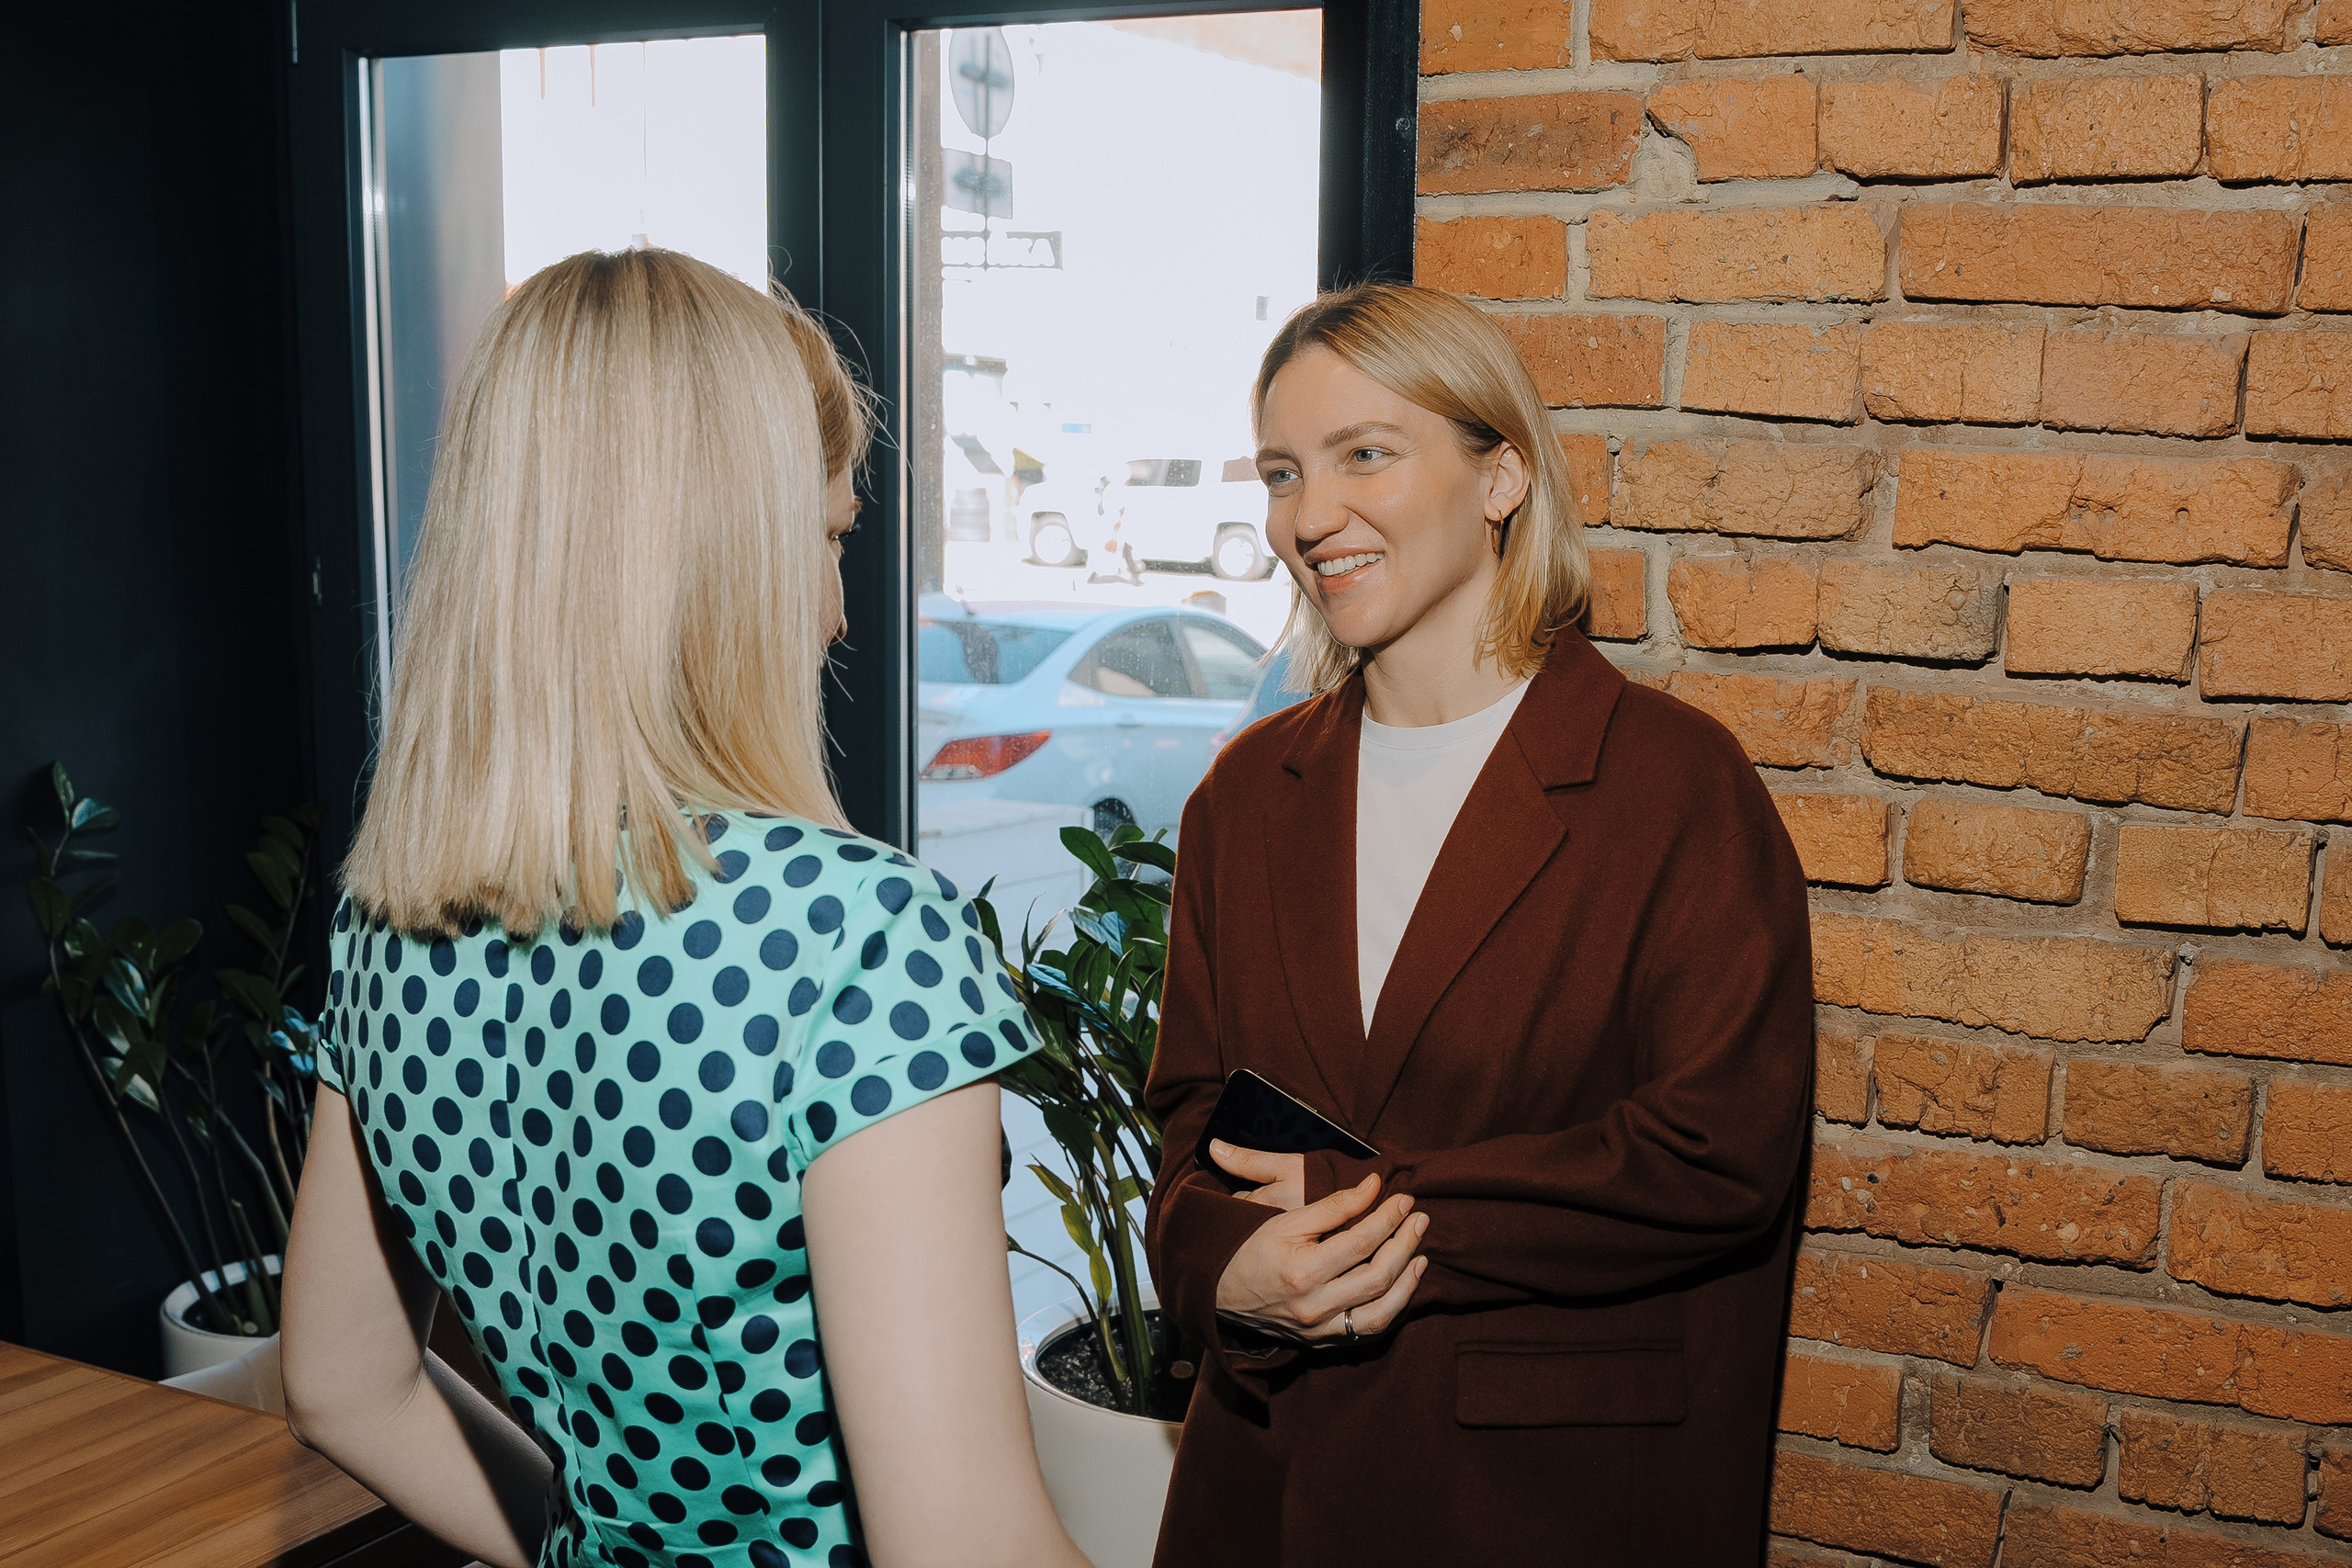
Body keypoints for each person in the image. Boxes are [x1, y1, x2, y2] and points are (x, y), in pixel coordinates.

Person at [280, 249, 1091, 1568]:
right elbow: (961, 1545)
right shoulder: (855, 946)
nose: (836, 612)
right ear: (718, 556)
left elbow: (340, 1384)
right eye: (829, 539)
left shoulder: (386, 932)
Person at [1142, 283, 1815, 1566]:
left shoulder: (1673, 786)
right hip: (1266, 1488)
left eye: (1365, 457)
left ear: (1500, 474)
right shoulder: (1244, 794)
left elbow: (1717, 1158)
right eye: (1284, 472)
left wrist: (1373, 1206)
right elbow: (1189, 1119)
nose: (1307, 516)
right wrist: (1219, 1269)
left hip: (1538, 1504)